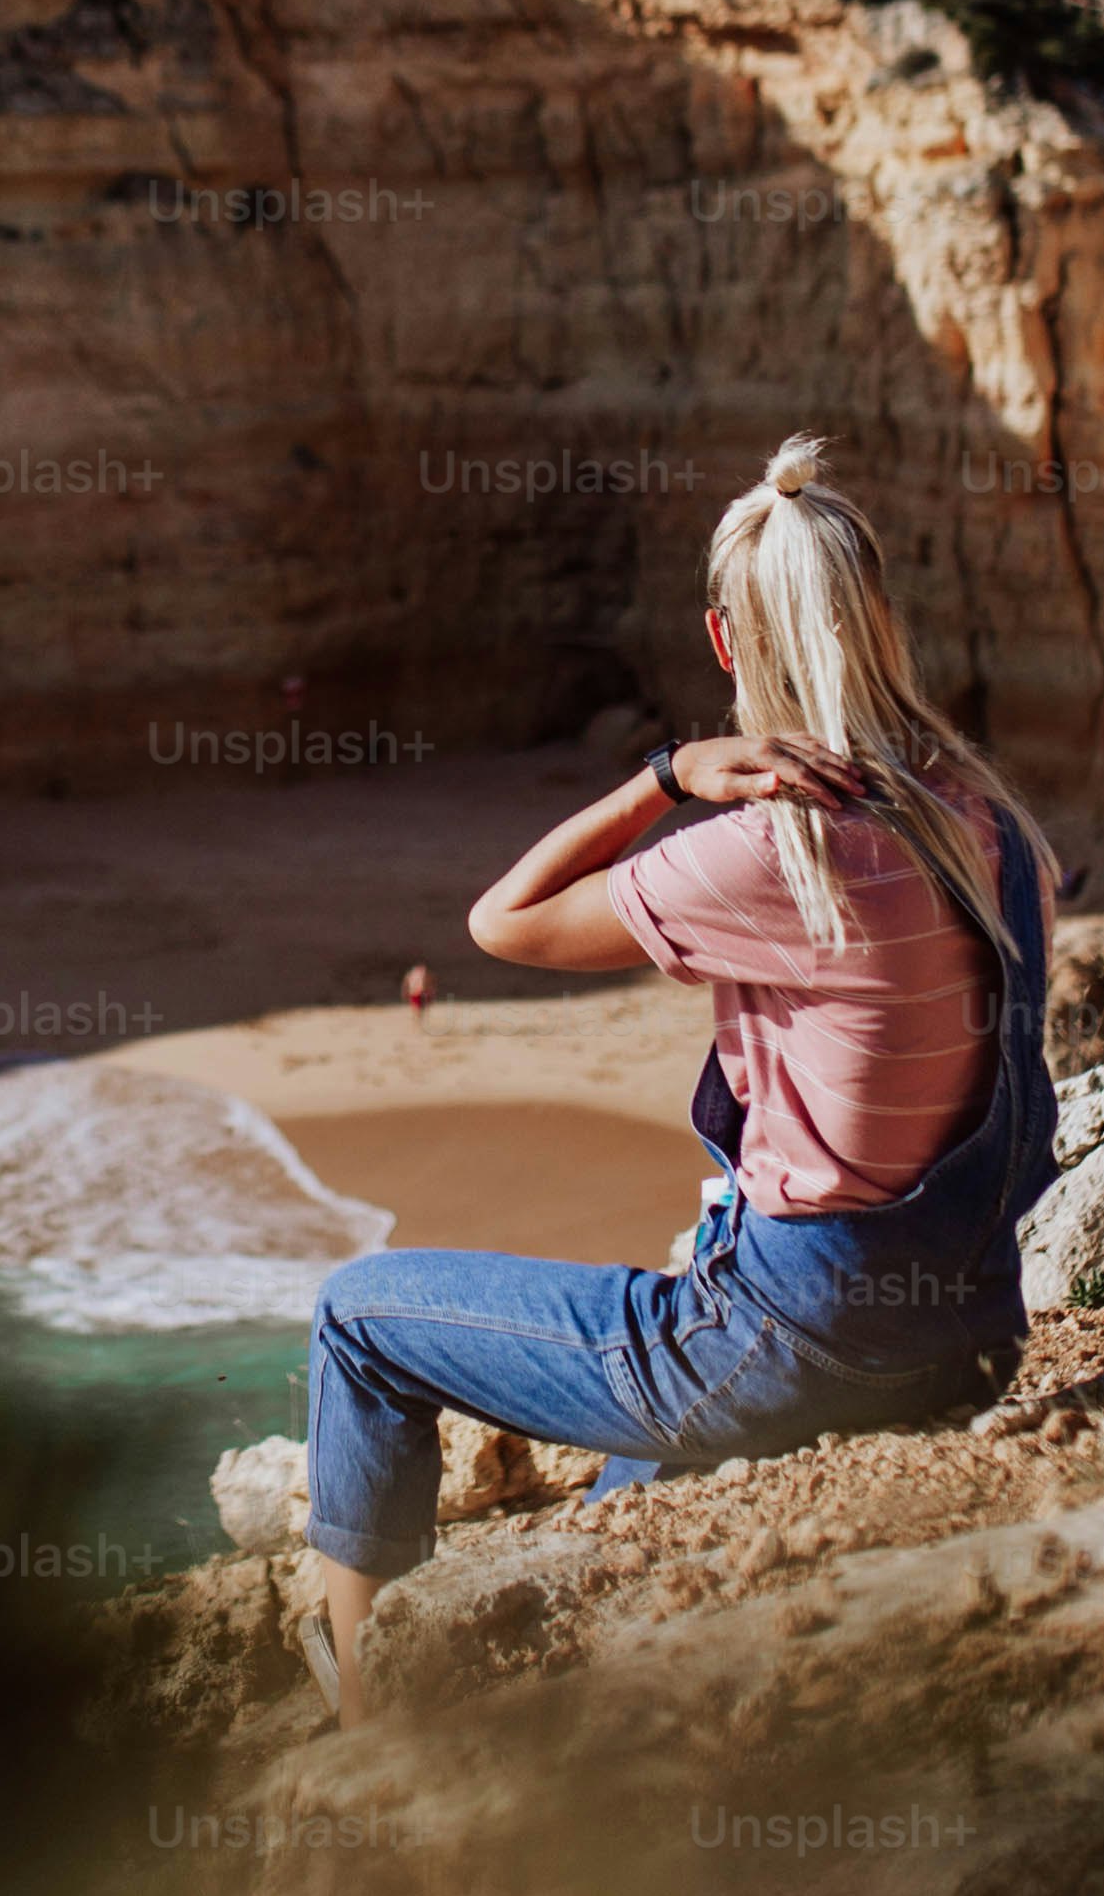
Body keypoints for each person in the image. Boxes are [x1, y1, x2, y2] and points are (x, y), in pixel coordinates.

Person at [289, 434, 1060, 1725]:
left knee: (357, 1321)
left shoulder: (775, 848)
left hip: (788, 1344)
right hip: (962, 1339)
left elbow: (503, 921)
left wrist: (662, 777)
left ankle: (363, 1695)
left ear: (723, 641)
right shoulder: (984, 822)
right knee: (615, 1507)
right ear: (877, 617)